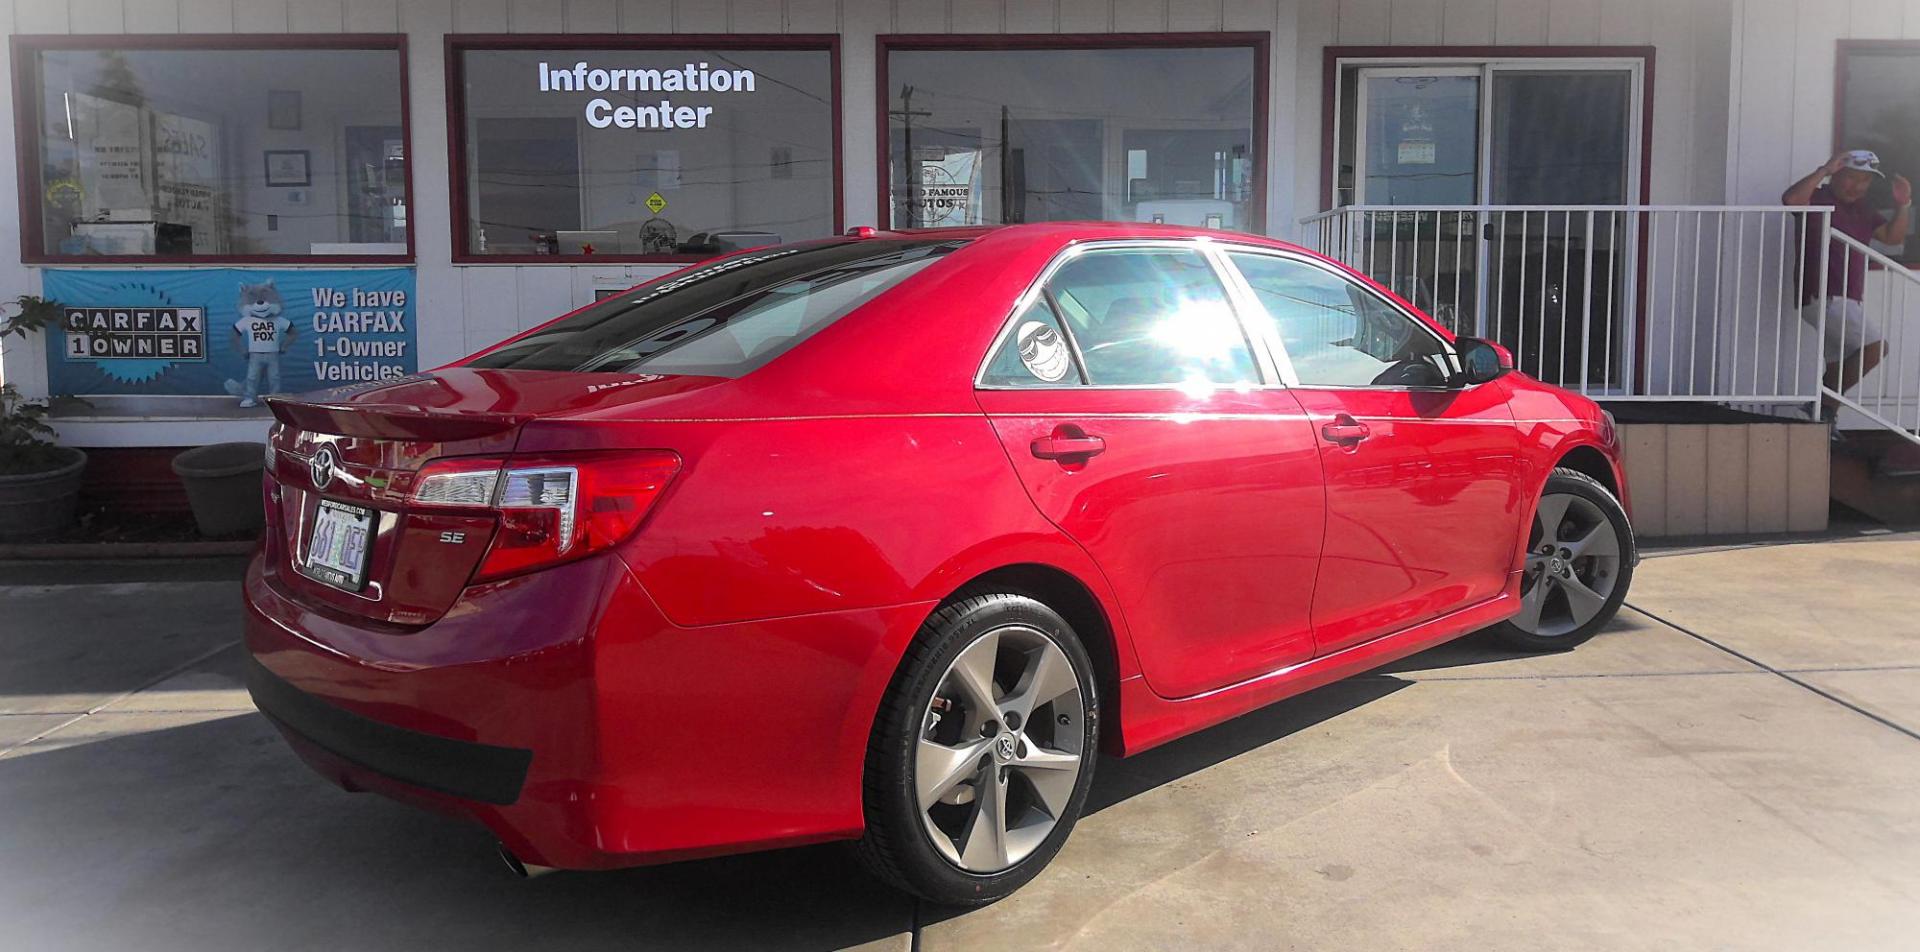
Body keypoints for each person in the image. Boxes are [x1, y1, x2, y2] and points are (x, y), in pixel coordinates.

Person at [1783, 149, 1912, 412]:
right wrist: (1824, 170)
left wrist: (1904, 204)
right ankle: (1825, 408)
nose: (1858, 186)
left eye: (1865, 181)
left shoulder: (1863, 210)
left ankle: (1823, 420)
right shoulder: (1819, 197)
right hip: (1823, 295)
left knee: (1838, 363)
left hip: (1846, 297)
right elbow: (1791, 200)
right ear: (1837, 175)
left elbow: (1892, 237)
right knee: (1875, 348)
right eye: (1852, 178)